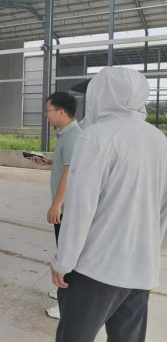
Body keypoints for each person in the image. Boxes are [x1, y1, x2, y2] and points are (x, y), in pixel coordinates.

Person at [52, 67, 167, 342]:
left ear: (101, 95)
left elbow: (80, 209)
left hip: (95, 271)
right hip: (140, 271)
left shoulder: (95, 137)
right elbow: (162, 208)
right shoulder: (159, 140)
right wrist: (150, 252)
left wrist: (63, 261)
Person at [31, 92, 82, 320]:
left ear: (61, 111)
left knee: (67, 254)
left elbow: (69, 174)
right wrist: (49, 161)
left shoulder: (72, 137)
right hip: (65, 206)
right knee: (63, 251)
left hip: (67, 208)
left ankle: (67, 304)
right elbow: (65, 163)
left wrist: (56, 205)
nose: (46, 115)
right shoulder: (66, 134)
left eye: (48, 110)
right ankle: (63, 291)